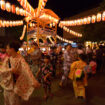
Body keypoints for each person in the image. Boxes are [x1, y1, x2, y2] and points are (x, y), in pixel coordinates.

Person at [0, 41, 40, 105]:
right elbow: (2, 71)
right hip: (6, 86)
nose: (6, 50)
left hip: (14, 87)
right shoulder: (7, 59)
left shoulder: (20, 59)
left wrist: (33, 81)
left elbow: (27, 70)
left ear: (12, 49)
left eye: (7, 48)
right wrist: (11, 70)